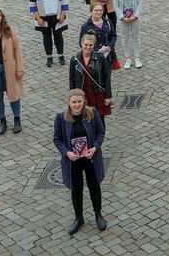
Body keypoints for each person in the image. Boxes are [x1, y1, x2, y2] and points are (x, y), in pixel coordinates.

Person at [53, 89, 107, 234]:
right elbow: (57, 139)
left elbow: (101, 132)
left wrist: (95, 147)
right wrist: (67, 152)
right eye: (74, 102)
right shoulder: (61, 118)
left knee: (94, 186)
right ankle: (79, 217)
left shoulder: (92, 113)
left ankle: (98, 214)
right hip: (73, 160)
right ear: (69, 103)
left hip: (90, 158)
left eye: (79, 101)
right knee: (76, 189)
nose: (77, 105)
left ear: (84, 102)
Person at [69, 34, 112, 127]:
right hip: (82, 95)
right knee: (83, 120)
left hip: (97, 94)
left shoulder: (100, 58)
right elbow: (72, 80)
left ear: (94, 45)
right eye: (86, 45)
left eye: (90, 45)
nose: (88, 47)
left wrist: (108, 96)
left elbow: (106, 77)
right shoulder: (74, 60)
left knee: (99, 121)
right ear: (81, 44)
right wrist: (72, 97)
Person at [29, 0, 68, 67]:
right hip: (43, 16)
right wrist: (38, 18)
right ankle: (49, 57)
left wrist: (63, 14)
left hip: (57, 15)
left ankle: (61, 55)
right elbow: (32, 4)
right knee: (46, 37)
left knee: (58, 36)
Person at [112, 0, 142, 69]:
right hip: (123, 18)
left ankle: (137, 57)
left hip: (134, 17)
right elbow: (116, 5)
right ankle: (128, 58)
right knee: (125, 38)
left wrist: (136, 15)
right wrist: (121, 17)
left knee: (136, 37)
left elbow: (139, 2)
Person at [79, 2, 116, 68]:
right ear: (91, 11)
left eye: (100, 10)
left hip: (108, 56)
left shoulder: (108, 22)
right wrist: (96, 50)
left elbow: (113, 35)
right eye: (96, 10)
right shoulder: (86, 26)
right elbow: (81, 43)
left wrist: (110, 46)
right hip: (93, 58)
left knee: (107, 73)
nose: (98, 12)